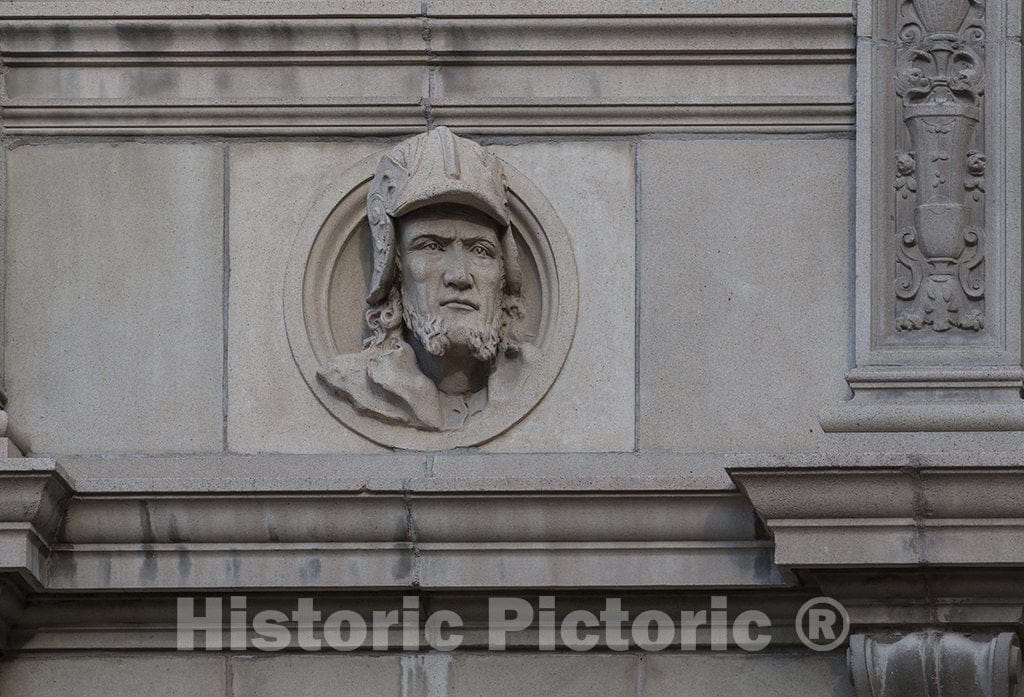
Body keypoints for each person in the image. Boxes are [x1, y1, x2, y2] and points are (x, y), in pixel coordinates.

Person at [318, 127, 533, 431]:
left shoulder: (532, 378)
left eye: (480, 250)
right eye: (431, 246)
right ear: (395, 271)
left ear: (502, 276)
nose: (459, 277)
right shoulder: (358, 383)